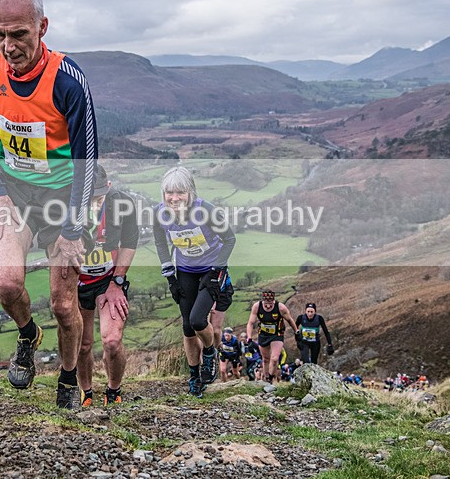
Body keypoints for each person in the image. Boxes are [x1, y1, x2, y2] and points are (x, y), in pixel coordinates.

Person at [0, 0, 98, 410]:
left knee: (64, 305)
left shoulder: (67, 81)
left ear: (42, 27)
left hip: (63, 202)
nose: (9, 47)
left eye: (19, 34)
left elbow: (87, 159)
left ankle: (66, 380)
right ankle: (27, 334)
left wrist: (73, 230)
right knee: (7, 285)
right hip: (17, 199)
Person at [152, 166, 236, 397]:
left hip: (211, 270)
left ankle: (209, 352)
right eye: (170, 193)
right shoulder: (160, 213)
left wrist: (217, 270)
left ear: (190, 192)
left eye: (180, 192)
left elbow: (229, 239)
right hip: (185, 271)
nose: (175, 198)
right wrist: (170, 276)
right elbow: (160, 243)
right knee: (188, 328)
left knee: (198, 319)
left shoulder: (205, 210)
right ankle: (194, 376)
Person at [77, 165, 138, 407]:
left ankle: (113, 390)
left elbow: (130, 241)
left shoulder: (123, 204)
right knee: (82, 345)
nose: (94, 204)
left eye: (99, 198)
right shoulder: (64, 204)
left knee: (112, 341)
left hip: (108, 280)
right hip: (78, 282)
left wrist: (117, 281)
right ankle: (86, 393)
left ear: (109, 187)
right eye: (88, 199)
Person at [245, 290, 298, 384]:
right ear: (262, 301)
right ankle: (266, 379)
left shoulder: (281, 307)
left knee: (274, 358)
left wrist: (296, 331)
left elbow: (289, 320)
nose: (268, 306)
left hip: (277, 334)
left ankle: (270, 377)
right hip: (263, 335)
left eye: (270, 304)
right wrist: (249, 338)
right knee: (265, 359)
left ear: (273, 301)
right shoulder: (257, 307)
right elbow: (250, 323)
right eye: (266, 304)